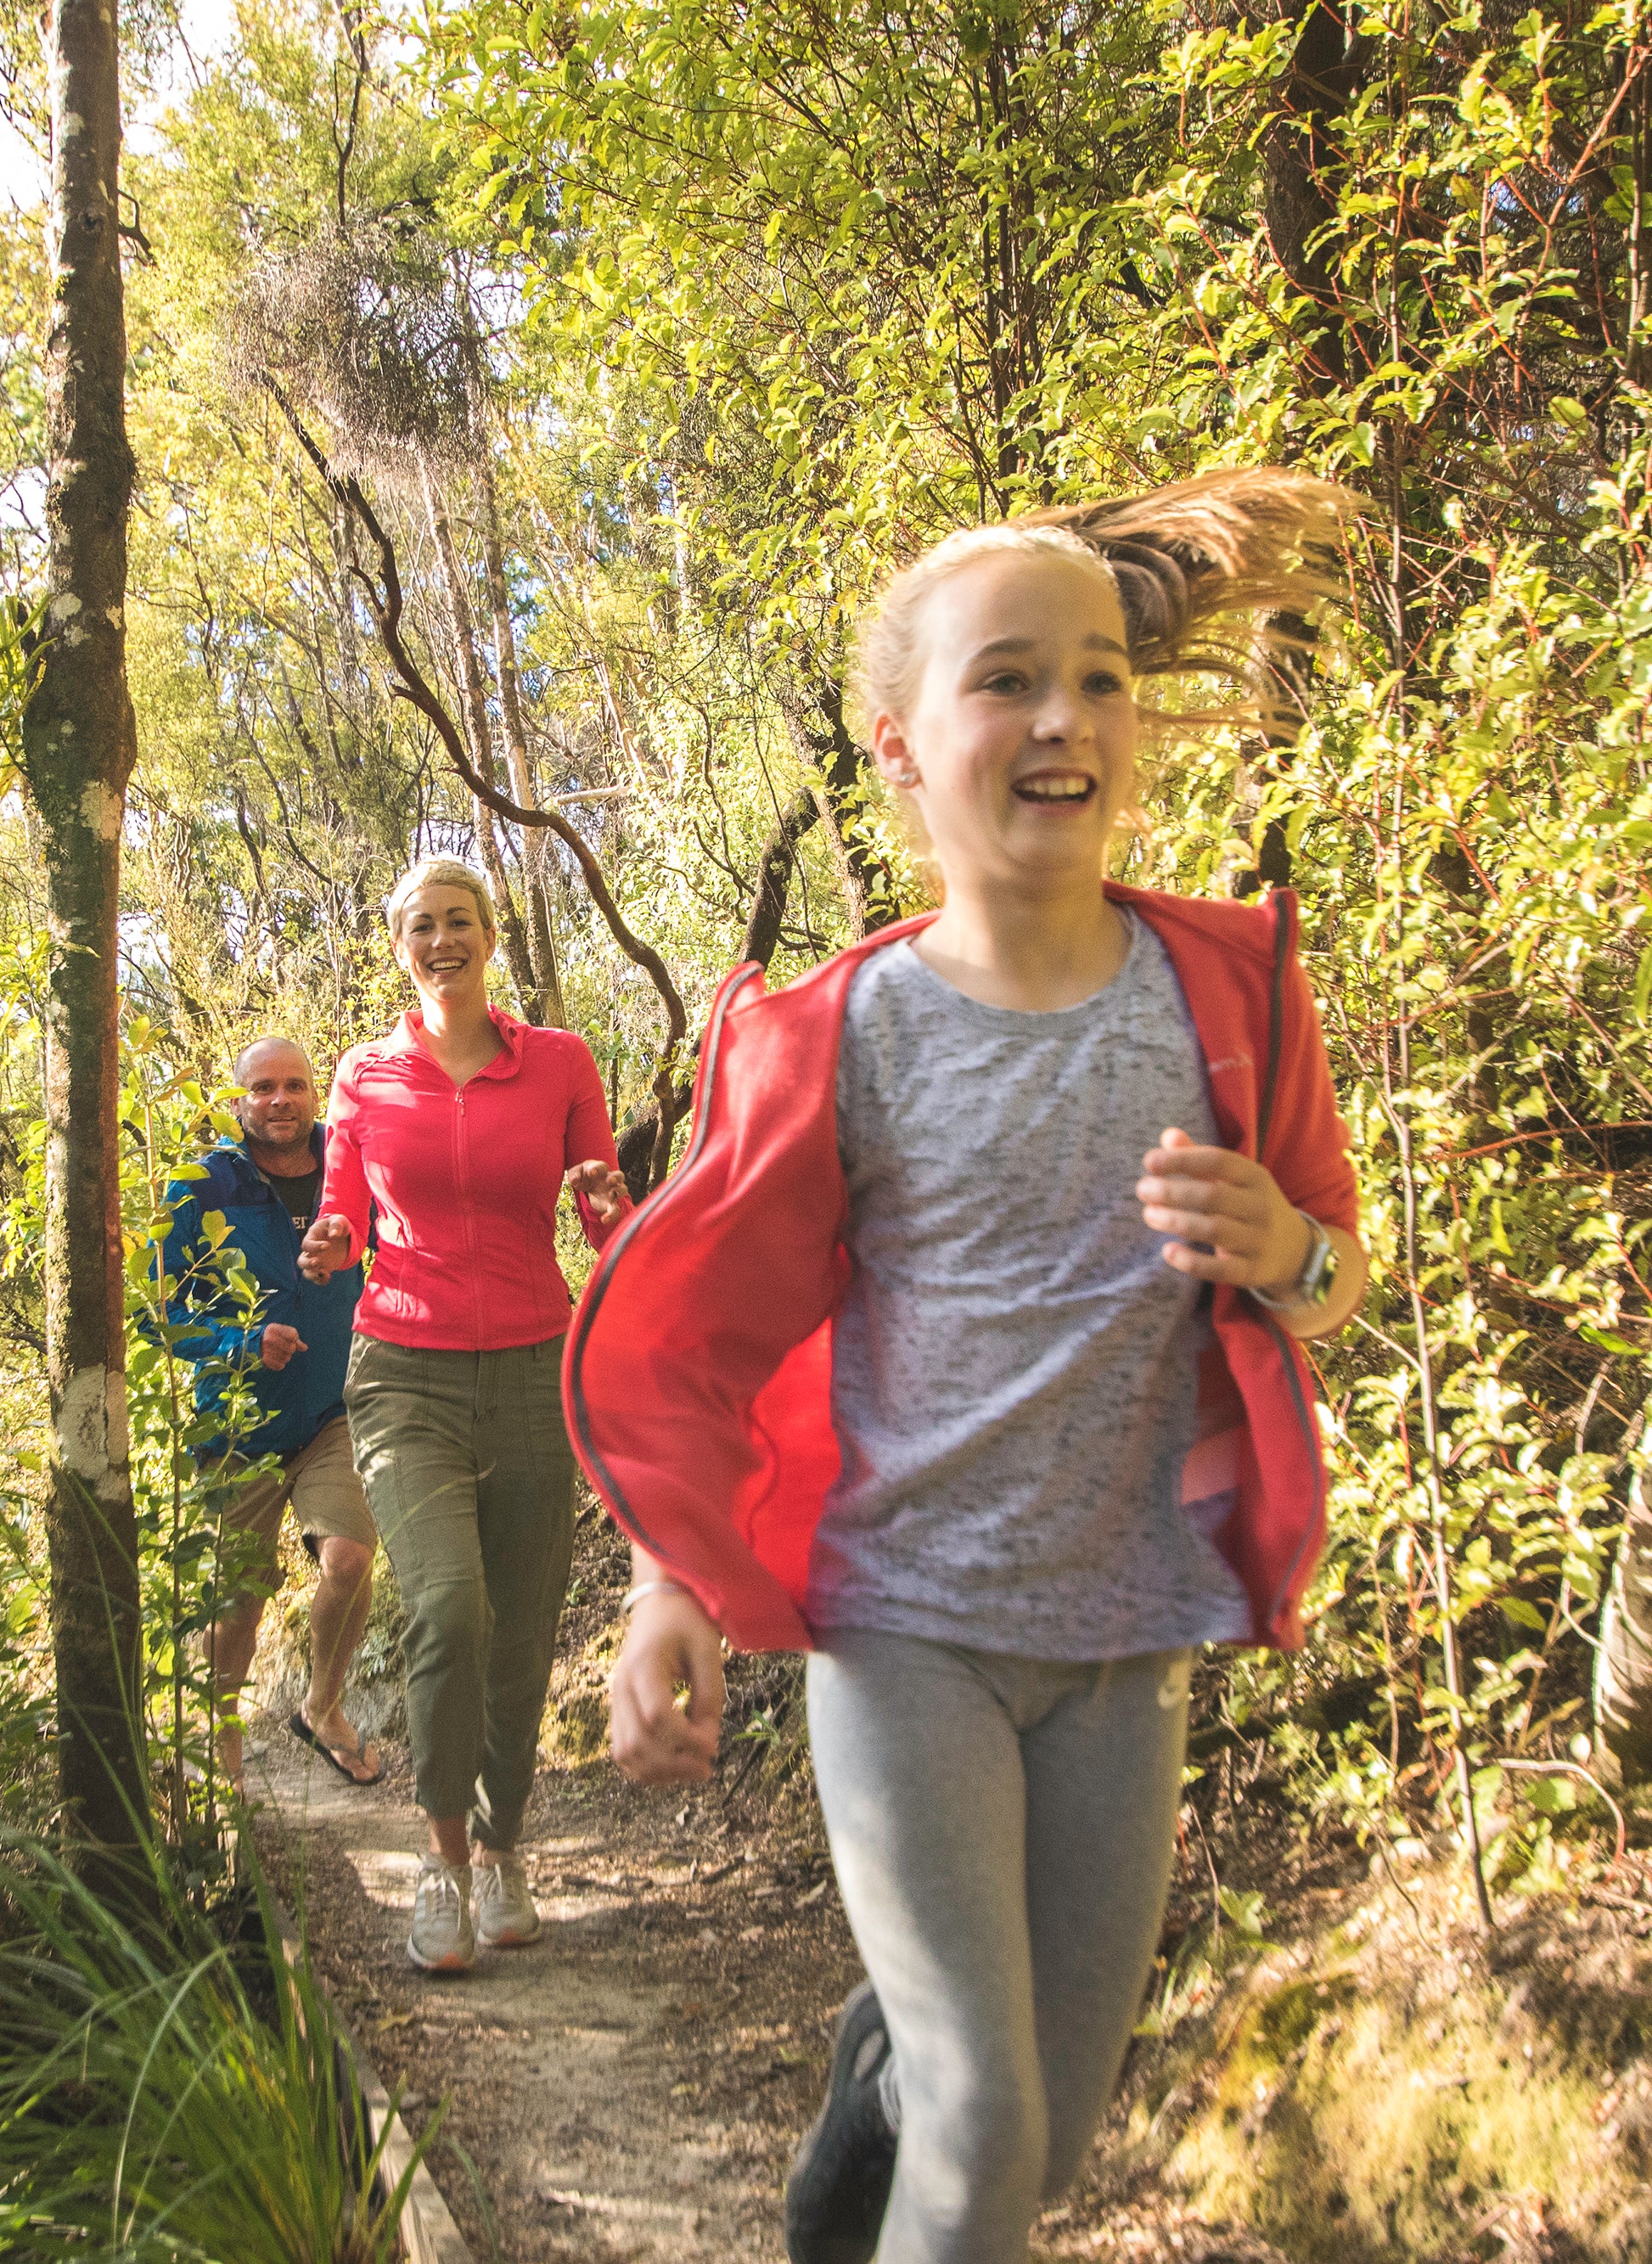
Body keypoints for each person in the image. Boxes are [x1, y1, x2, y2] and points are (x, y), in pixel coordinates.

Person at [563, 471, 1369, 2264]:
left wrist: (1283, 1252)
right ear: (902, 746)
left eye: (1096, 676)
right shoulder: (835, 1034)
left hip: (1126, 1631)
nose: (1063, 716)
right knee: (990, 2114)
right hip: (900, 1628)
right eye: (1004, 680)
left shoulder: (1230, 992)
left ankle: (873, 2089)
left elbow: (1332, 1267)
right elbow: (694, 1338)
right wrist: (665, 1590)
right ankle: (918, 2086)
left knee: (1041, 2132)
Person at [297, 855, 634, 1973]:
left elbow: (601, 1207)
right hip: (404, 1370)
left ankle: (501, 1848)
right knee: (448, 1604)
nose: (443, 939)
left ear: (492, 935)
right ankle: (442, 1864)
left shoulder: (561, 1062)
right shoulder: (363, 1075)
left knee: (525, 1628)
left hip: (540, 1363)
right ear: (399, 947)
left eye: (461, 921)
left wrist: (607, 1201)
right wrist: (333, 1240)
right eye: (423, 926)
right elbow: (342, 1206)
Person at [156, 1036, 382, 1789]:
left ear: (314, 1093)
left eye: (293, 1085)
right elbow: (161, 1312)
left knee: (350, 1556)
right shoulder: (200, 1185)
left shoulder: (348, 1165)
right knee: (233, 1610)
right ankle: (219, 1748)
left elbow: (401, 1250)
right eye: (262, 1088)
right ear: (237, 1100)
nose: (278, 1100)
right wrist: (240, 1341)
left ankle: (322, 1705)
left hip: (333, 1409)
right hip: (237, 1427)